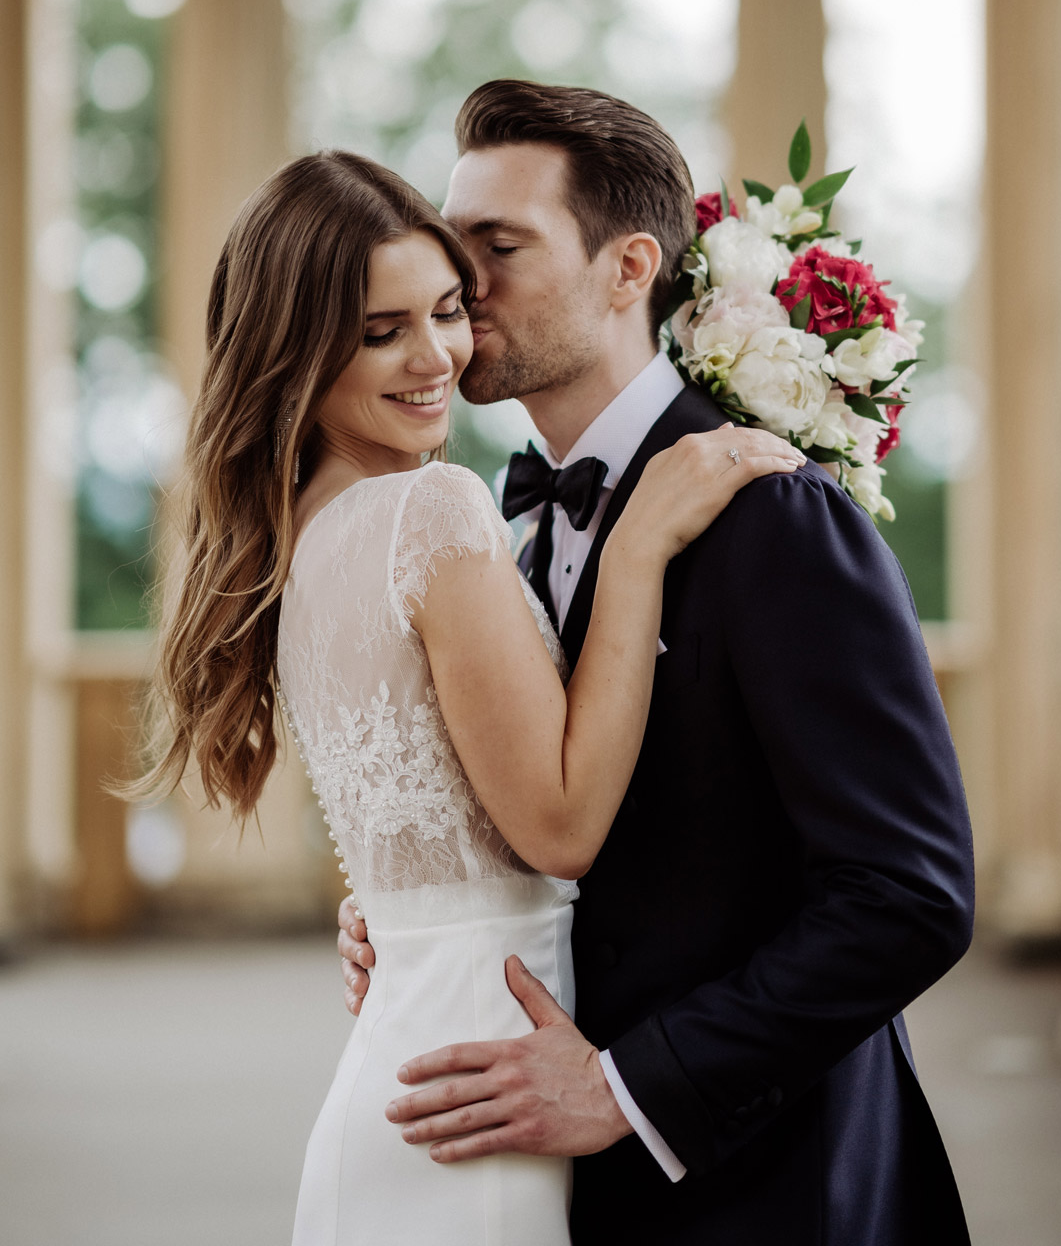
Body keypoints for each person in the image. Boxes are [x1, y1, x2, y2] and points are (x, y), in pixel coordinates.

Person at [338, 80, 975, 1245]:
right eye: (451, 241)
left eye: (501, 245)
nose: (458, 283)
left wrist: (629, 1086)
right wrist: (430, 901)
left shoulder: (776, 515)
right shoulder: (508, 535)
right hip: (574, 1192)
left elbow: (908, 896)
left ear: (631, 269)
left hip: (775, 1184)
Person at [126, 146, 799, 1246]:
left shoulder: (300, 540)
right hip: (481, 1090)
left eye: (446, 309)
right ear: (293, 355)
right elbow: (563, 827)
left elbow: (439, 821)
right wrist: (635, 552)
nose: (435, 355)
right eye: (379, 331)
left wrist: (392, 907)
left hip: (424, 1056)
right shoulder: (429, 511)